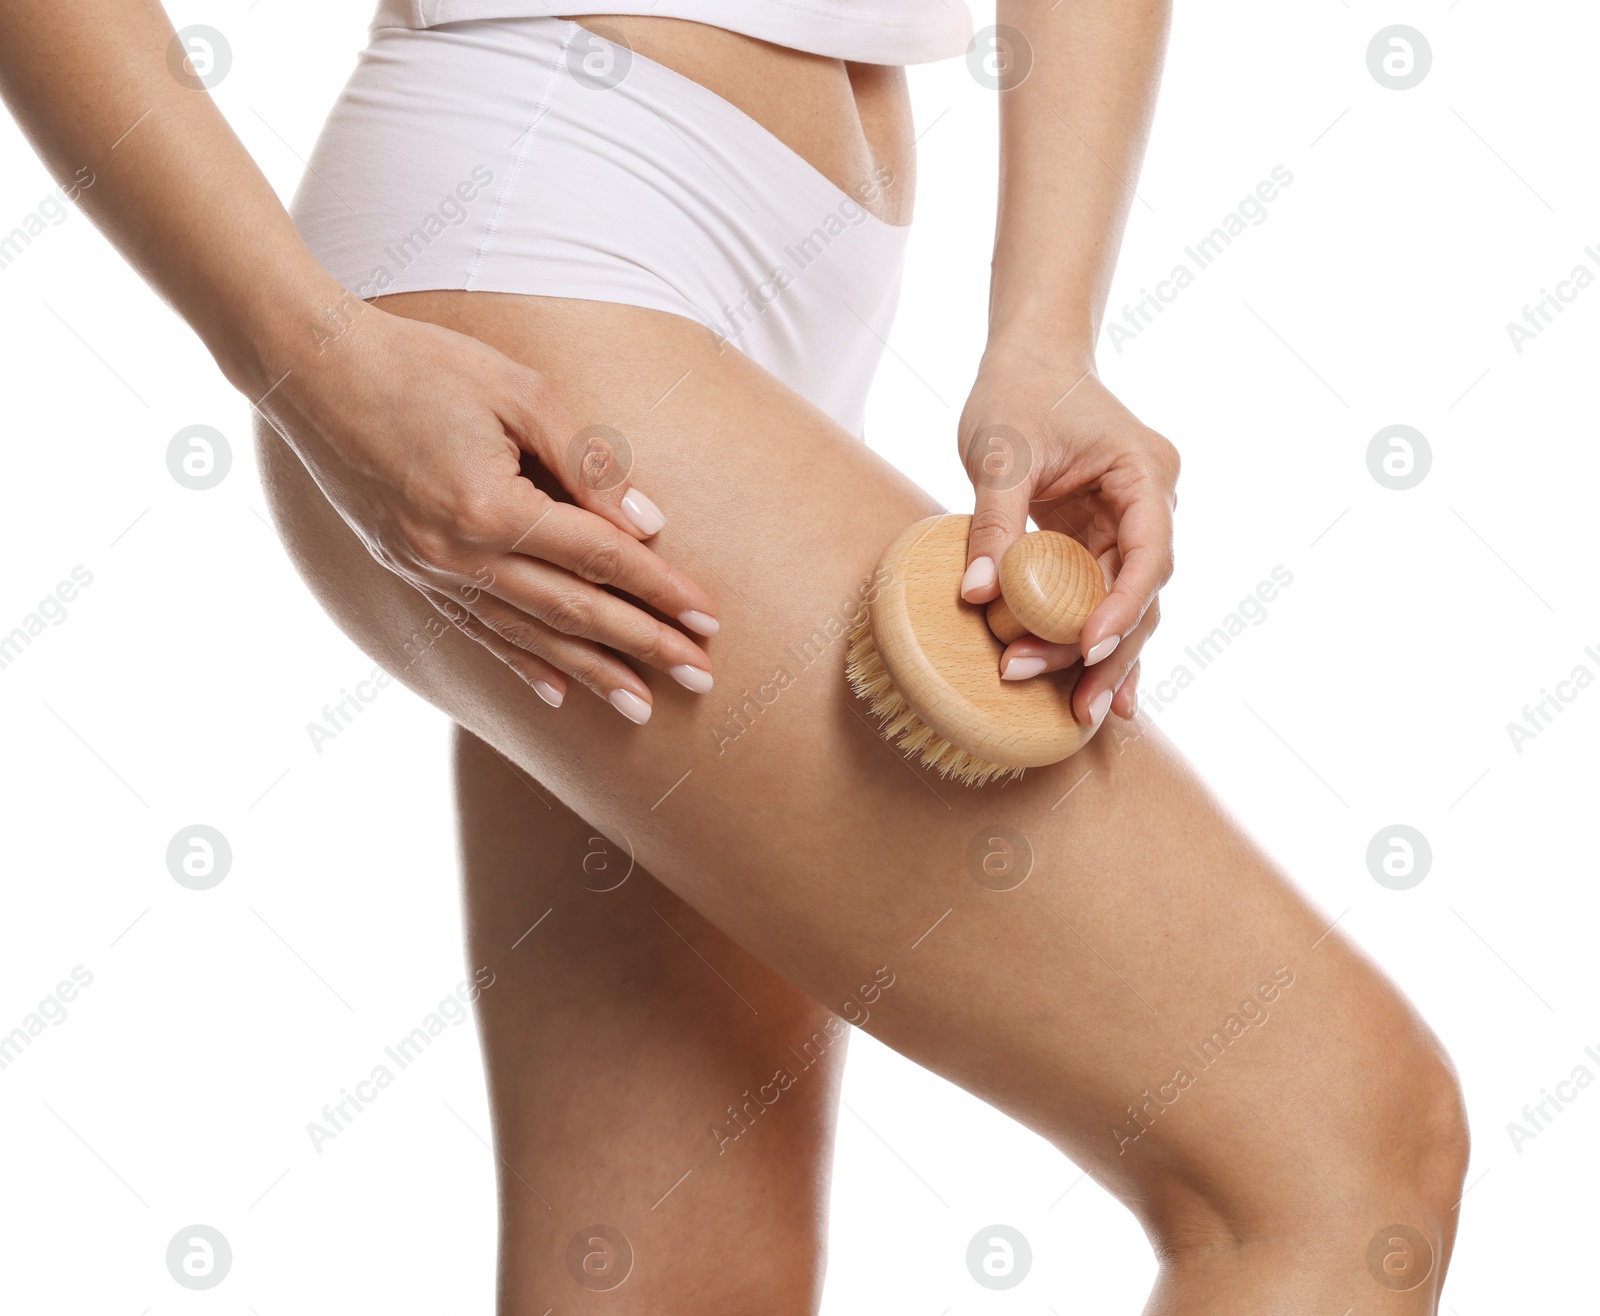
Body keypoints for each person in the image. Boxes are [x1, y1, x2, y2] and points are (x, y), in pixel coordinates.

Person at [0, 0, 1469, 1309]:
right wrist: (300, 354)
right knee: (1340, 1150)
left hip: (707, 275)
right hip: (546, 246)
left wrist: (1045, 333)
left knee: (682, 1280)